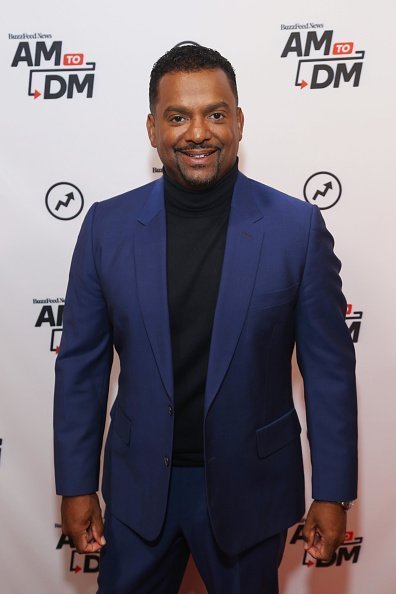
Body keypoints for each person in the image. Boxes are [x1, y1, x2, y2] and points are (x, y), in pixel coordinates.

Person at [54, 43, 357, 594]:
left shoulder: (296, 229)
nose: (198, 132)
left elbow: (330, 373)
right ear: (152, 129)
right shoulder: (106, 227)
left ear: (238, 121)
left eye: (215, 113)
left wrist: (333, 492)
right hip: (139, 487)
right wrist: (76, 486)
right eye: (178, 117)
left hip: (251, 488)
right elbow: (80, 369)